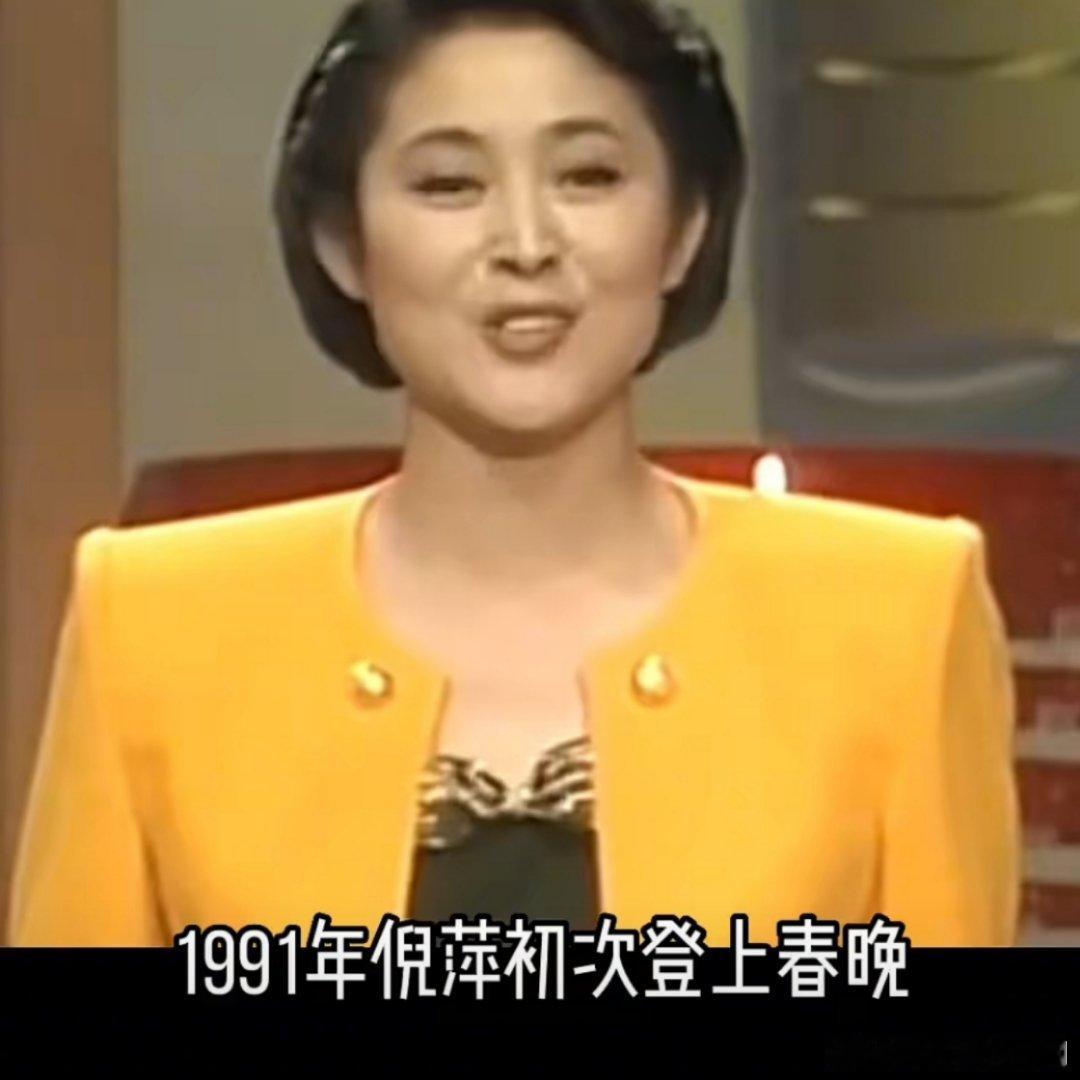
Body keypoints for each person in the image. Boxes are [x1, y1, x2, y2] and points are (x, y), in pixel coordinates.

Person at [6, 0, 1020, 948]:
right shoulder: (149, 624)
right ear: (345, 245)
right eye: (450, 185)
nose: (526, 246)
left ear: (684, 229)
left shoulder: (898, 615)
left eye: (589, 176)